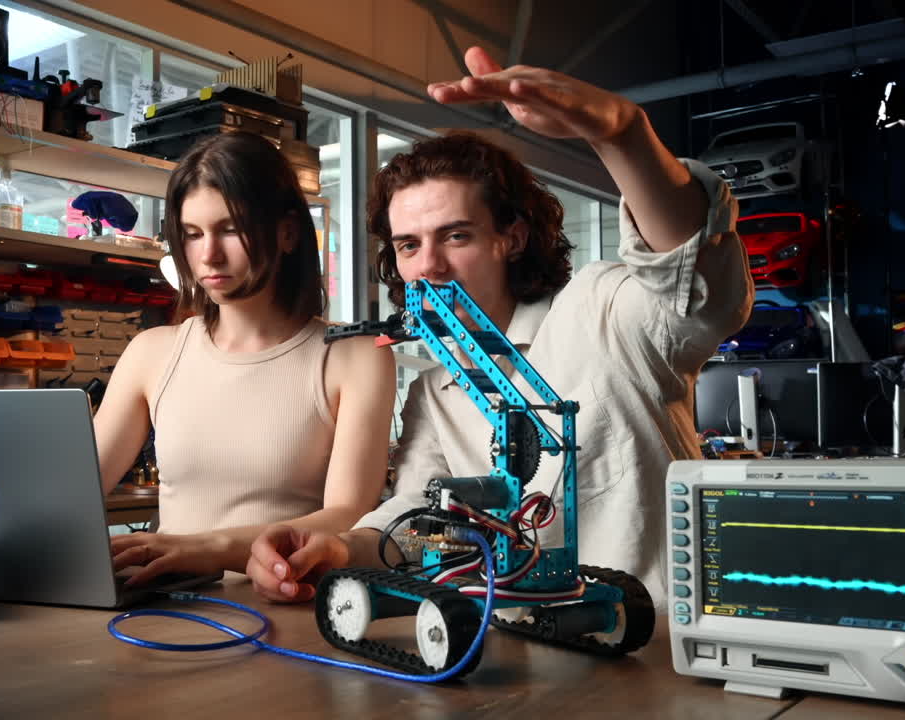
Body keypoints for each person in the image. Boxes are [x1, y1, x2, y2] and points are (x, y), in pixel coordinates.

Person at [247, 46, 753, 603]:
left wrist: (623, 136)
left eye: (456, 235)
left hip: (660, 640)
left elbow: (698, 282)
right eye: (410, 245)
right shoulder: (436, 390)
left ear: (510, 238)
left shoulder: (600, 310)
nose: (430, 267)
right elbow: (418, 515)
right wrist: (341, 548)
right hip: (527, 649)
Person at [94, 131, 395, 586]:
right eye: (193, 234)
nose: (209, 254)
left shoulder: (356, 355)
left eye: (230, 229)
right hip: (160, 603)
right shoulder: (151, 352)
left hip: (286, 604)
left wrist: (203, 549)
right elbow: (77, 492)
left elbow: (348, 515)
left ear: (288, 233)